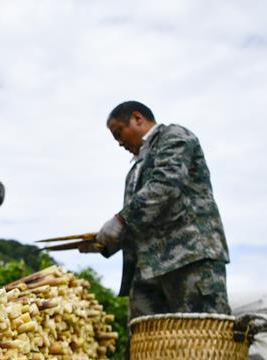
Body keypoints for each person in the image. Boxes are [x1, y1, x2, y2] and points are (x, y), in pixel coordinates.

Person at [81, 101, 230, 320]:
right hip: (149, 268)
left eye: (119, 133)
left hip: (189, 258)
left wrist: (120, 221)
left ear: (137, 118)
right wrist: (105, 243)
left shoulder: (174, 137)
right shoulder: (135, 169)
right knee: (150, 342)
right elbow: (140, 220)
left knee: (202, 337)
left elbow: (165, 187)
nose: (119, 143)